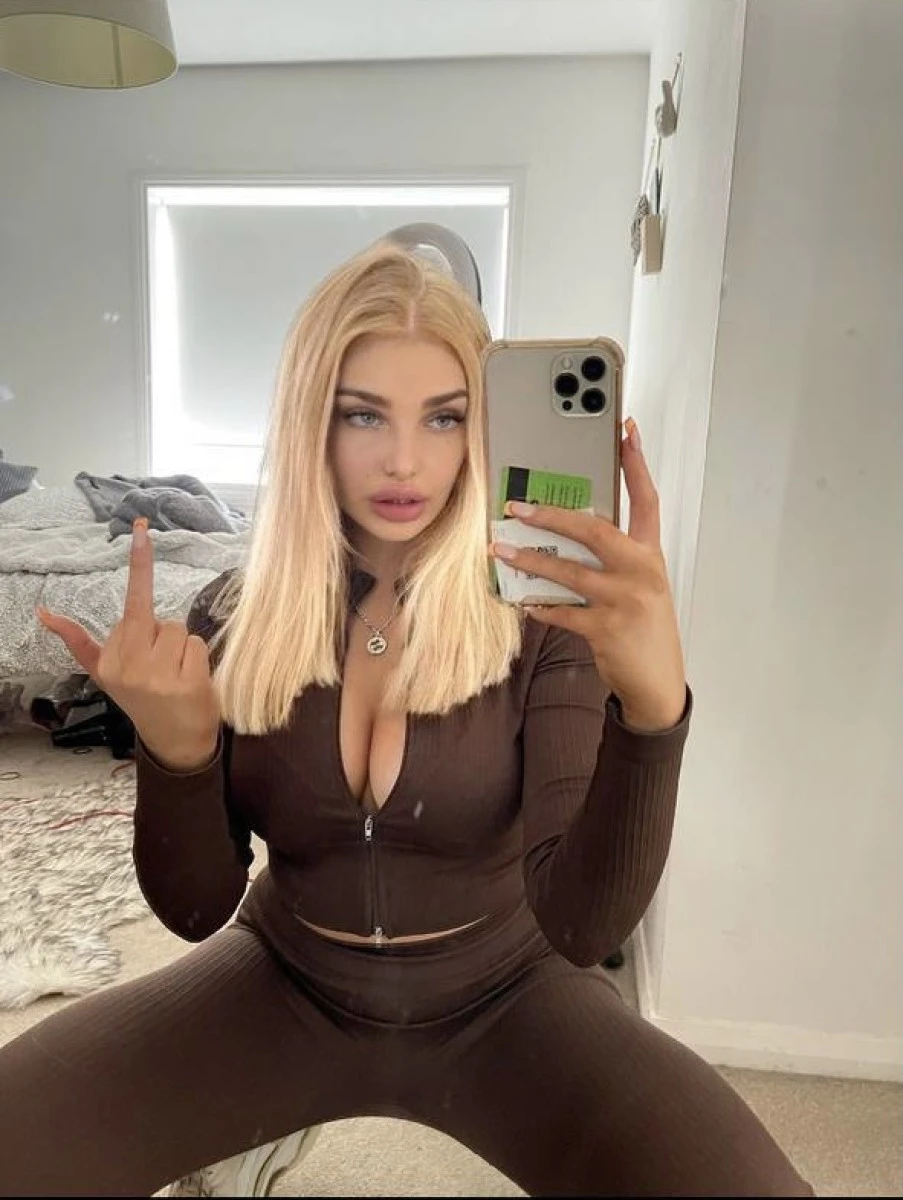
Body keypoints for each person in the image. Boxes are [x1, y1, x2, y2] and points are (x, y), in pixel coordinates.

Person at [1, 243, 815, 1197]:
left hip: (508, 993)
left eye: (444, 417)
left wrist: (650, 711)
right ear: (311, 422)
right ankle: (250, 1125)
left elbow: (584, 925)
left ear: (483, 428)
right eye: (362, 414)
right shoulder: (232, 616)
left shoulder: (542, 621)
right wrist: (175, 751)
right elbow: (193, 912)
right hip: (285, 978)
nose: (402, 459)